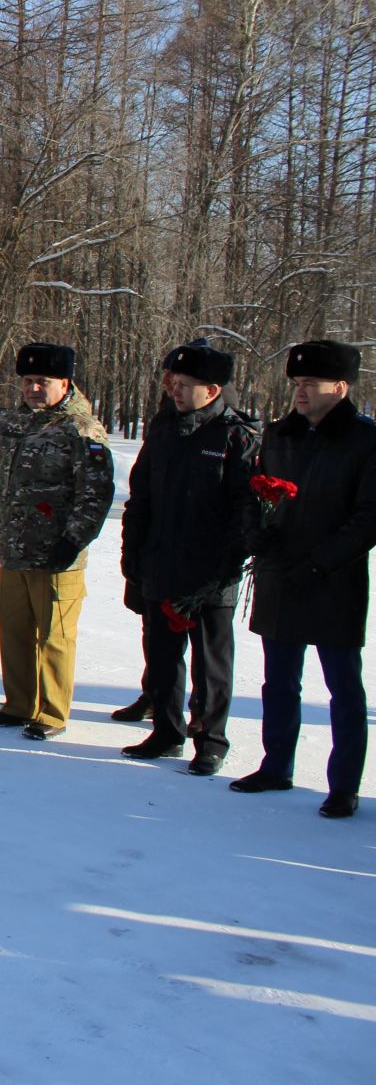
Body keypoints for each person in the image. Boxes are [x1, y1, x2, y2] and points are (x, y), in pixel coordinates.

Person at [231, 340, 376, 818]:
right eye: (296, 384)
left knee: (343, 688)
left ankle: (344, 785)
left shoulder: (364, 440)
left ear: (340, 386)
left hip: (333, 580)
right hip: (280, 575)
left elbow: (368, 518)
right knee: (279, 680)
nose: (300, 393)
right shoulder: (279, 435)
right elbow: (254, 493)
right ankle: (276, 765)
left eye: (310, 385)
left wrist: (319, 564)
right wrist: (258, 537)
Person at [119, 341, 258, 776]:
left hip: (212, 573)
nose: (175, 391)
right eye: (174, 383)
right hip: (161, 564)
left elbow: (245, 511)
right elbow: (140, 498)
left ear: (213, 390)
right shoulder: (163, 430)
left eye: (185, 385)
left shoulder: (236, 437)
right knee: (161, 654)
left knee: (211, 662)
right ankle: (166, 730)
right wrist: (133, 556)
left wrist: (225, 569)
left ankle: (210, 740)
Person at [0, 344, 116, 740]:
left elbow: (95, 492)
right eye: (28, 381)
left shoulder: (80, 428)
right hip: (12, 548)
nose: (33, 389)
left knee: (54, 636)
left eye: (42, 382)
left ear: (64, 383)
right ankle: (18, 704)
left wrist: (74, 539)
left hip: (55, 553)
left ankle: (51, 712)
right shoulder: (10, 425)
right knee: (13, 629)